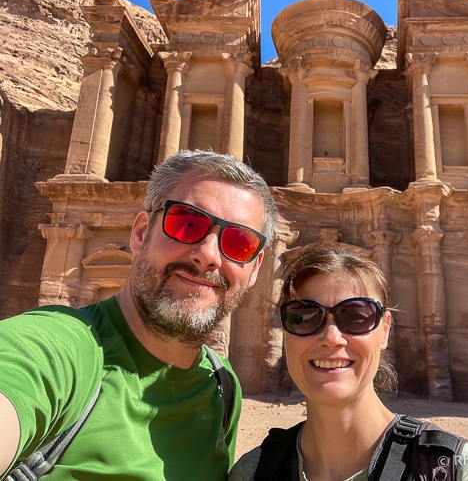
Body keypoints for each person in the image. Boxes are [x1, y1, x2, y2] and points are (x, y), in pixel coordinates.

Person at [0, 149, 278, 480]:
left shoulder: (221, 387)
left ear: (255, 269)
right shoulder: (52, 349)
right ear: (141, 233)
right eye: (187, 223)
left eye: (239, 243)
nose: (208, 255)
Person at [231, 241, 468, 481]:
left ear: (385, 331)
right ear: (285, 331)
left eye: (357, 316)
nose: (331, 338)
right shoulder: (252, 472)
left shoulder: (457, 470)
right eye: (303, 316)